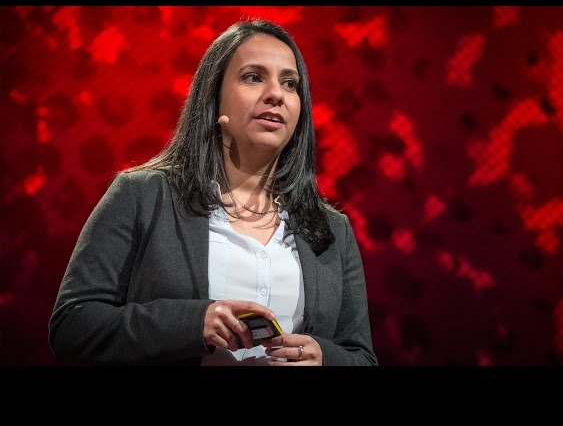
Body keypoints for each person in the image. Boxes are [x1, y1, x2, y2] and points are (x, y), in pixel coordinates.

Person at [48, 19, 377, 366]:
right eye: (253, 77)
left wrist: (325, 357)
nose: (276, 94)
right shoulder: (143, 196)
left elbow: (362, 358)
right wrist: (195, 323)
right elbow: (73, 325)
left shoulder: (332, 230)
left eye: (289, 83)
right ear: (214, 96)